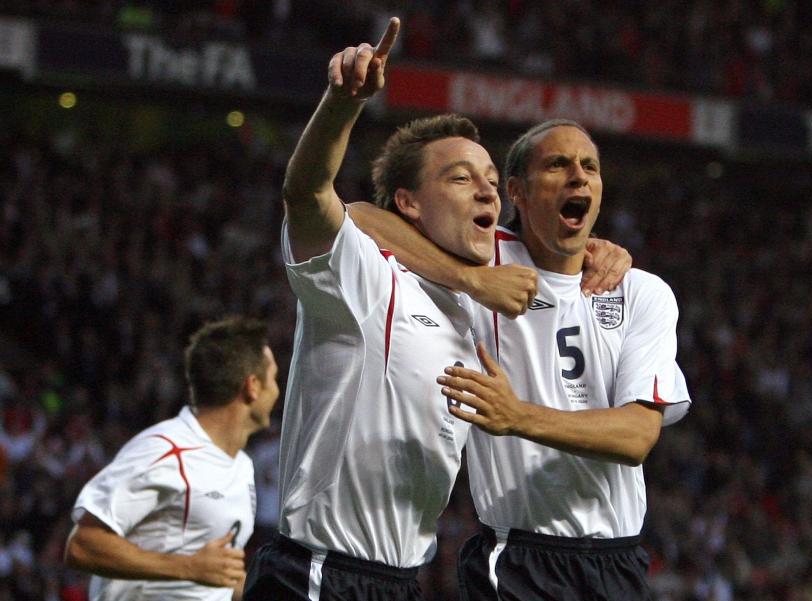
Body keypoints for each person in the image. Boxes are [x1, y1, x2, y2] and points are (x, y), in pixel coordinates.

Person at [241, 18, 537, 601]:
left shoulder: (473, 303)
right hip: (320, 573)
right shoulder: (370, 277)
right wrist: (340, 105)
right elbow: (312, 197)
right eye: (460, 178)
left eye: (490, 181)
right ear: (409, 202)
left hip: (401, 580)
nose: (487, 192)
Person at [352, 119, 691, 600]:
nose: (578, 175)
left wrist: (519, 417)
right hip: (517, 562)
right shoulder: (480, 257)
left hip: (619, 562)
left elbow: (637, 435)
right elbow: (358, 216)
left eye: (589, 166)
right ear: (517, 191)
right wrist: (468, 280)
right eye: (557, 164)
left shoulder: (641, 291)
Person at [64, 316, 280, 600]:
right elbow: (82, 545)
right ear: (252, 386)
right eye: (274, 378)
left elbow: (216, 575)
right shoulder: (166, 450)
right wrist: (189, 567)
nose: (277, 389)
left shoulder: (241, 466)